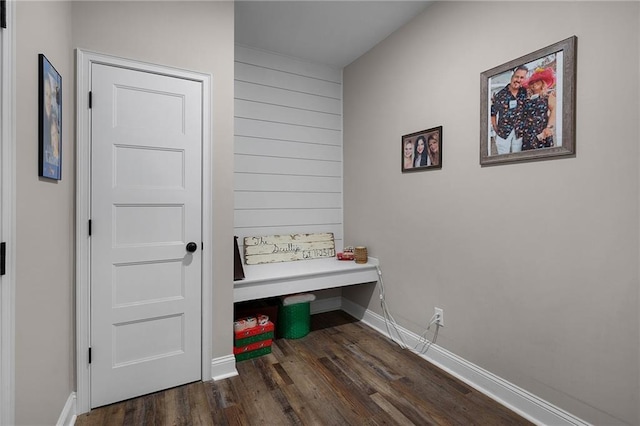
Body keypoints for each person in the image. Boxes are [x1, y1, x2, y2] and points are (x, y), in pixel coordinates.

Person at [490, 65, 528, 154]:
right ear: (512, 76)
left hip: (519, 132)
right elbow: (493, 113)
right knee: (502, 159)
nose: (518, 80)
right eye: (517, 76)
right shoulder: (500, 94)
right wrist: (495, 127)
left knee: (518, 158)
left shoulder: (525, 92)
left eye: (522, 77)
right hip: (503, 132)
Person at [521, 67, 556, 150]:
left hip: (542, 132)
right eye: (532, 82)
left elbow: (553, 111)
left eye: (537, 81)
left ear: (542, 83)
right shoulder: (526, 100)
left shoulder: (548, 97)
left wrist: (549, 127)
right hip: (527, 135)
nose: (534, 84)